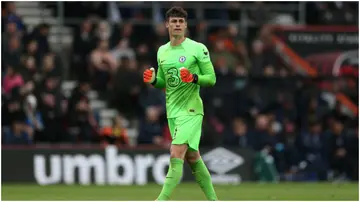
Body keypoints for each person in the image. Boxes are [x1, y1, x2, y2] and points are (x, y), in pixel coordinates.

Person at [143, 7, 217, 201]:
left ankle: (161, 199)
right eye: (173, 21)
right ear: (167, 24)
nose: (177, 25)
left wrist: (193, 77)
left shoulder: (197, 48)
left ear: (185, 25)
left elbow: (211, 79)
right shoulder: (162, 51)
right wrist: (152, 80)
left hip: (191, 110)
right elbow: (163, 82)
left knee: (176, 152)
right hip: (173, 111)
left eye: (181, 22)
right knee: (192, 157)